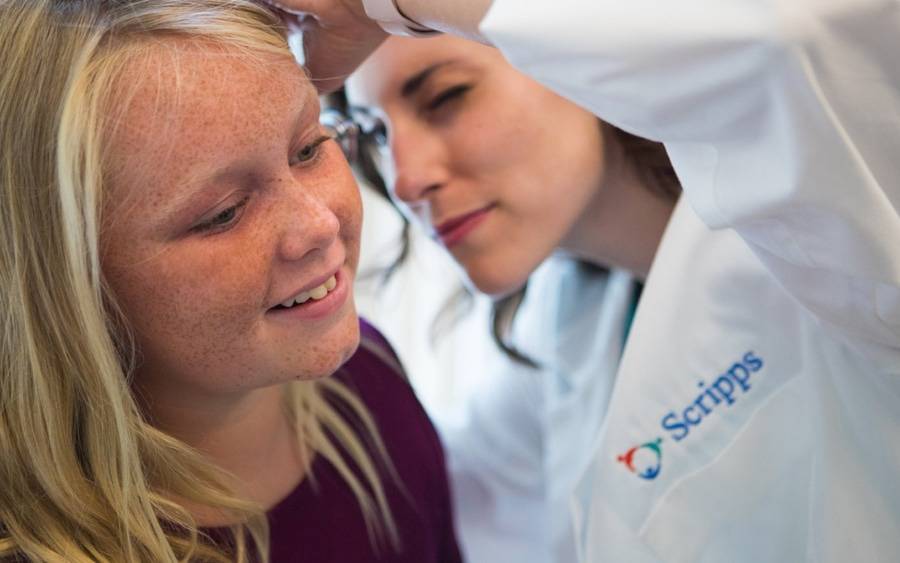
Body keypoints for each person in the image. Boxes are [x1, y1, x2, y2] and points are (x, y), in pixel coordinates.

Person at [265, 1, 900, 562]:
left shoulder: (831, 214)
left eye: (447, 98)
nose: (405, 180)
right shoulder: (568, 321)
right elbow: (419, 495)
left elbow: (789, 38)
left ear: (577, 60)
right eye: (376, 133)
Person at [0, 1, 462, 562]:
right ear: (63, 283)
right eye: (223, 213)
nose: (319, 225)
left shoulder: (371, 380)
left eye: (309, 148)